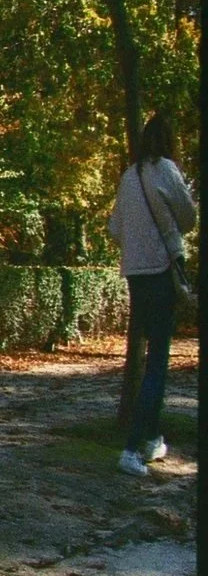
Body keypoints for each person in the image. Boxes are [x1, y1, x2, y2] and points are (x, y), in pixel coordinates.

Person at [108, 111, 193, 477]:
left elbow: (114, 229)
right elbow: (189, 219)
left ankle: (151, 437)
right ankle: (132, 448)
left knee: (152, 357)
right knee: (158, 361)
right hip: (162, 270)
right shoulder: (168, 170)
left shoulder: (129, 176)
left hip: (135, 274)